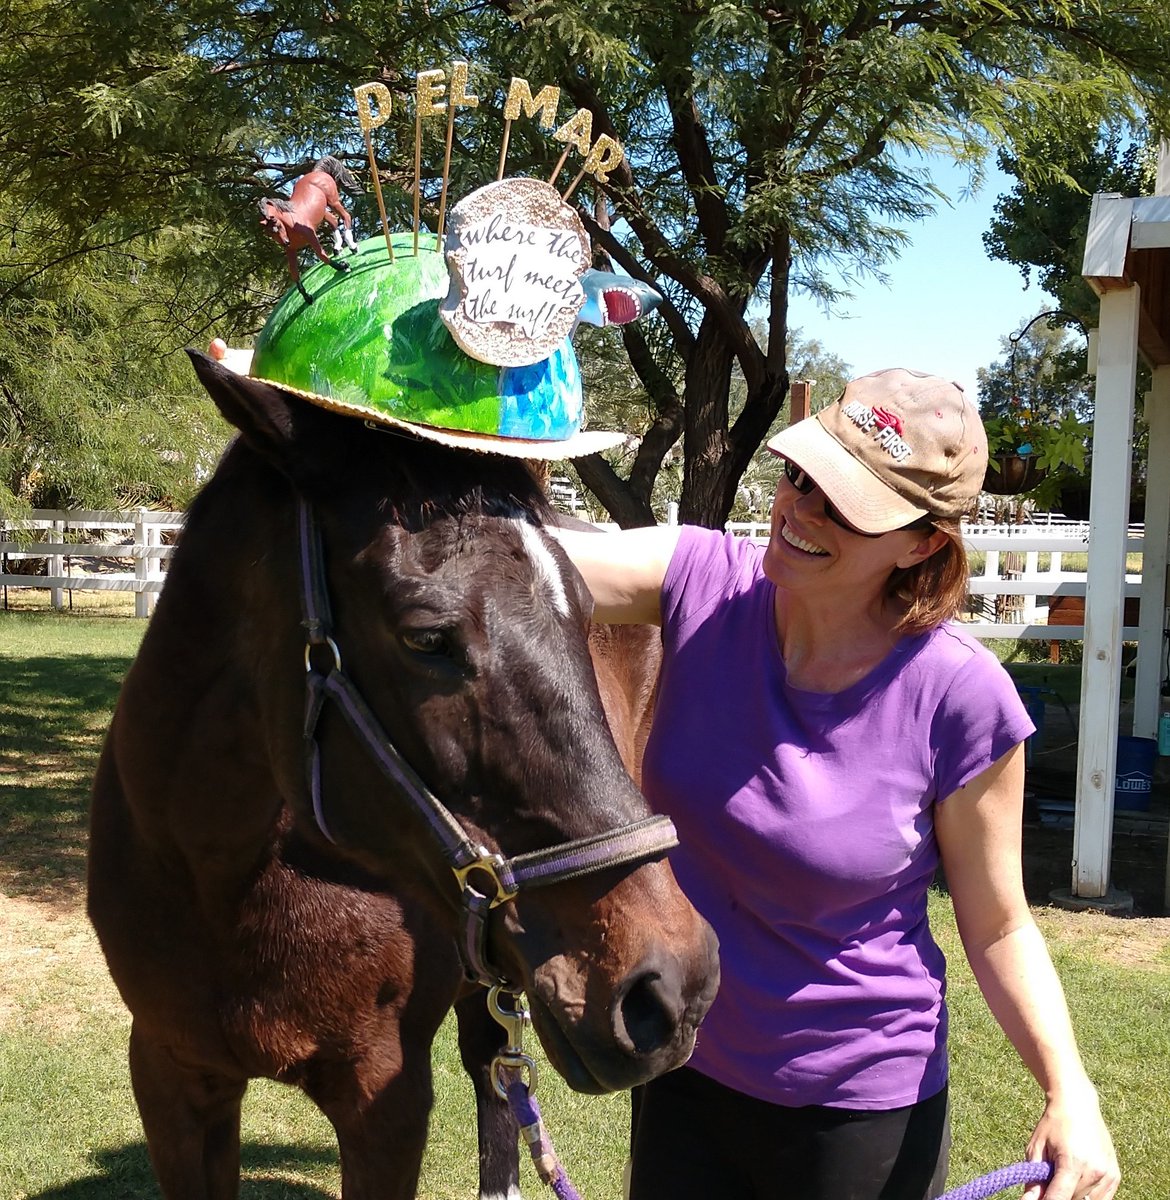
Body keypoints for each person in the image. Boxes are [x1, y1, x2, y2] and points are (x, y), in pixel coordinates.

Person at [551, 368, 1119, 1200]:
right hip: (687, 1062)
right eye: (801, 476)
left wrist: (1072, 1090)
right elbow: (513, 566)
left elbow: (998, 926)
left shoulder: (958, 695)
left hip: (858, 1111)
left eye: (846, 506)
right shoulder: (701, 582)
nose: (801, 511)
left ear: (922, 541)